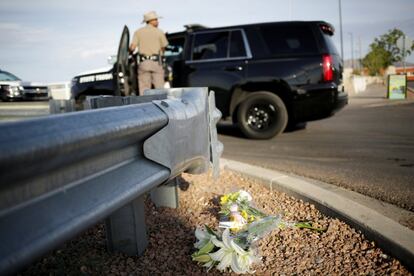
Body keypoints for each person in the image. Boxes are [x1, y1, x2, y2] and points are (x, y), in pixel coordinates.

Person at [129, 11, 169, 95]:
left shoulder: (138, 32)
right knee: (160, 90)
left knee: (144, 90)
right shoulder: (159, 32)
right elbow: (163, 47)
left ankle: (144, 106)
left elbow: (132, 47)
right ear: (150, 20)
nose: (158, 21)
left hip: (144, 63)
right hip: (156, 63)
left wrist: (130, 53)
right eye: (156, 20)